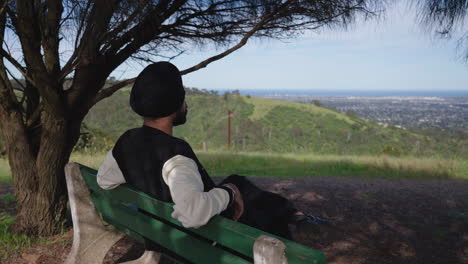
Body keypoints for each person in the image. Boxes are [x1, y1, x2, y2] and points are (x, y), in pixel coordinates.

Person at [97, 62, 326, 248]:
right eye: (183, 97)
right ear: (175, 104)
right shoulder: (176, 159)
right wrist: (227, 195)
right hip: (203, 238)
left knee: (237, 182)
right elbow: (192, 213)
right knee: (256, 209)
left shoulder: (126, 141)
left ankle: (292, 212)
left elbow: (104, 181)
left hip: (160, 228)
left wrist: (148, 188)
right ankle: (288, 227)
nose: (186, 104)